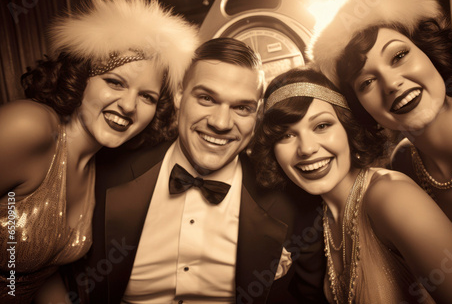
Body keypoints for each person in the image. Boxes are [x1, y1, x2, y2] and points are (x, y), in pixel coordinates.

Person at [66, 37, 327, 304]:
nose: (221, 123)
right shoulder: (106, 171)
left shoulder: (292, 201)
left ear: (257, 113)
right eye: (206, 98)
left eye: (241, 107)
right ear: (180, 95)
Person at [0, 0, 198, 302]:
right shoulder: (30, 127)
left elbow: (35, 273)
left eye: (147, 96)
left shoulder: (98, 166)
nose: (129, 105)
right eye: (115, 82)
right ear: (81, 78)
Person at [251, 67, 452, 304]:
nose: (306, 149)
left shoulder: (390, 196)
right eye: (286, 135)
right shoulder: (324, 218)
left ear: (348, 126)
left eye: (322, 126)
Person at [308, 0, 452, 268]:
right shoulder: (402, 164)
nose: (392, 83)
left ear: (429, 51)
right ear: (360, 106)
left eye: (398, 56)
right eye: (367, 81)